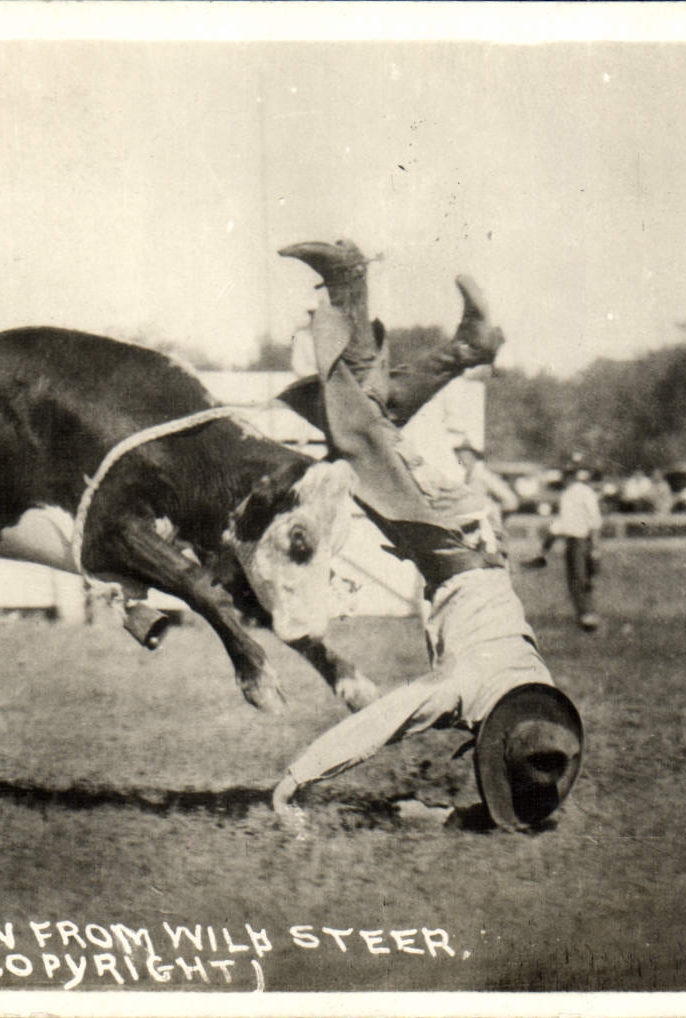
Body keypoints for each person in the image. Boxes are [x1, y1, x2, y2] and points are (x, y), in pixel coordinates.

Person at [268, 239, 583, 836]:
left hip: (472, 546)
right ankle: (362, 293)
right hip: (452, 545)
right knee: (358, 433)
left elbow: (517, 798)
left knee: (368, 422)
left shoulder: (535, 690)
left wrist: (444, 819)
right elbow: (379, 722)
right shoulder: (463, 690)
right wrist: (296, 779)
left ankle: (451, 339)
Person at [529, 456, 603, 632]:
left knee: (580, 577)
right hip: (573, 540)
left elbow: (594, 520)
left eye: (569, 474)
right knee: (577, 578)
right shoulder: (568, 494)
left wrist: (595, 546)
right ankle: (584, 615)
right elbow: (563, 522)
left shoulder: (583, 492)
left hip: (581, 540)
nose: (566, 477)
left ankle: (588, 615)